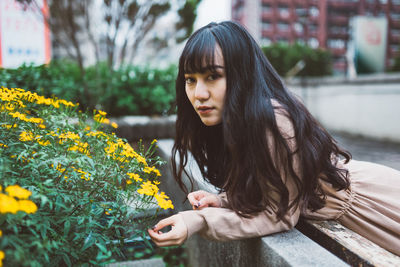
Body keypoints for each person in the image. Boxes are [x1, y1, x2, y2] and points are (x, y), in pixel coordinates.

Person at [147, 21, 400, 255]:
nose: (199, 94)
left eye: (212, 76)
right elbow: (267, 187)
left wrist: (198, 221)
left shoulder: (273, 121)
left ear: (241, 74)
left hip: (375, 209)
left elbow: (278, 214)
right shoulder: (232, 121)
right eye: (191, 80)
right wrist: (222, 200)